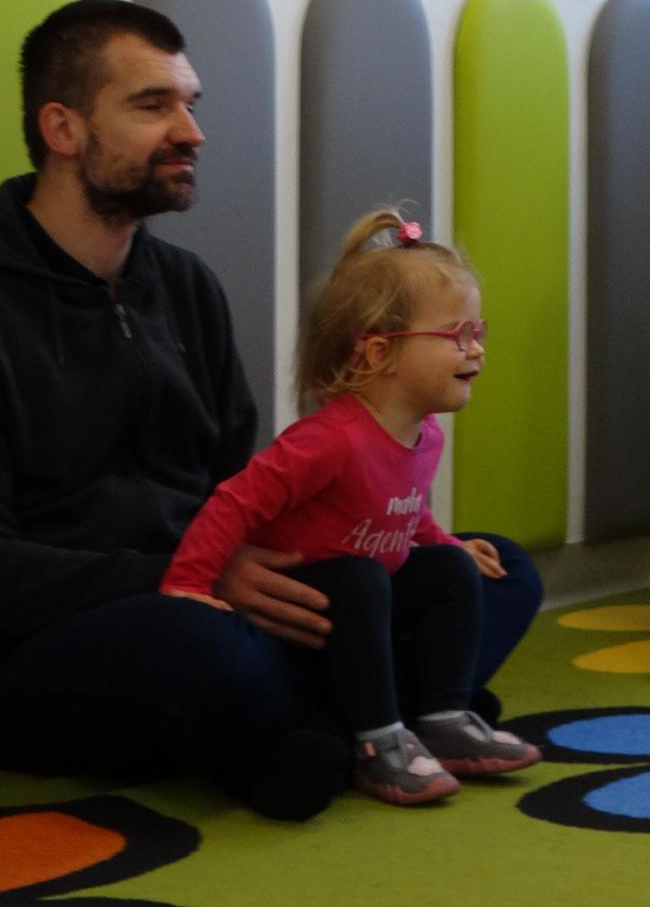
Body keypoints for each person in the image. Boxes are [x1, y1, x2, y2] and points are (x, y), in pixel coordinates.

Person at [0, 0, 541, 819]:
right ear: (63, 128)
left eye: (190, 104)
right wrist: (192, 575)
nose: (191, 131)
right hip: (56, 637)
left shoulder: (185, 286)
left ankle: (334, 733)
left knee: (492, 572)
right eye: (153, 105)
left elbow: (240, 485)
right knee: (204, 650)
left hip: (218, 596)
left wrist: (303, 572)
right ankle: (383, 715)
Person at [162, 209, 542, 806]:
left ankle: (442, 715)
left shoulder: (426, 434)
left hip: (369, 597)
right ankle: (377, 740)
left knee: (460, 570)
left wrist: (446, 545)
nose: (476, 350)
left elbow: (403, 510)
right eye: (456, 335)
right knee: (362, 578)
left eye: (478, 332)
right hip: (309, 603)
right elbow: (233, 502)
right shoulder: (328, 440)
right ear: (378, 352)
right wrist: (188, 584)